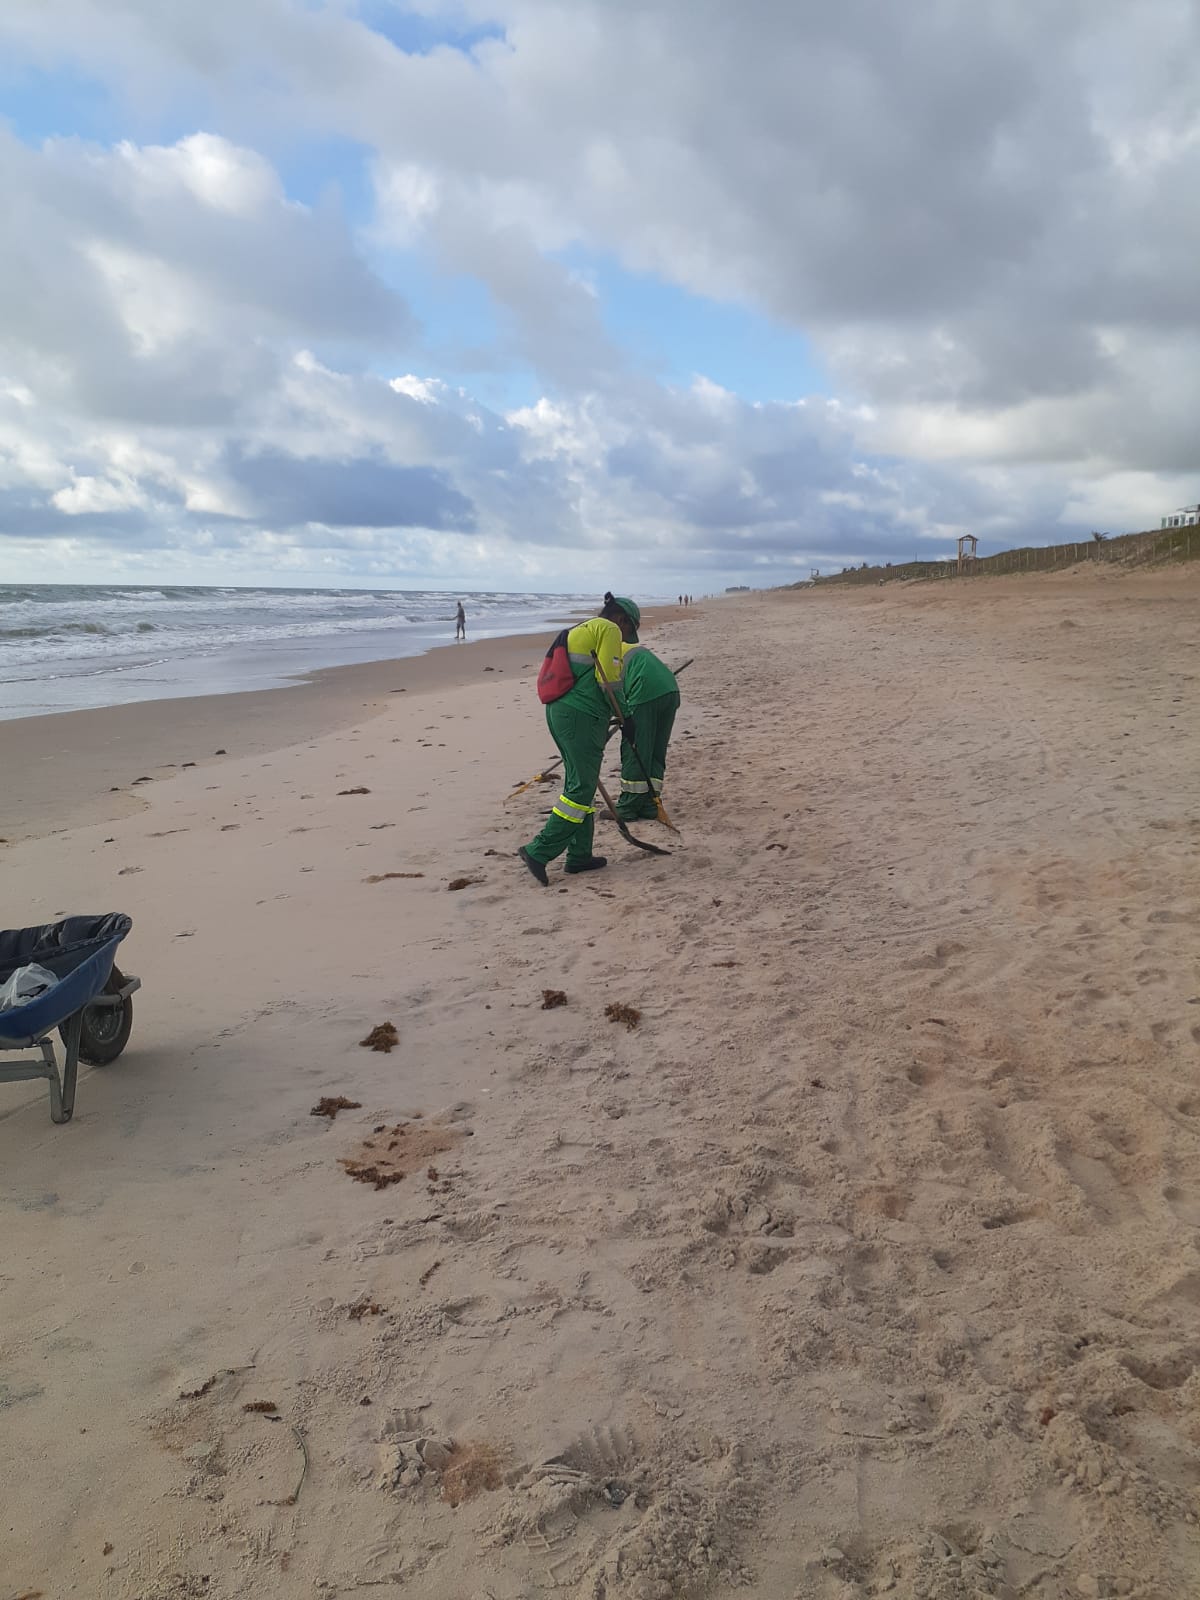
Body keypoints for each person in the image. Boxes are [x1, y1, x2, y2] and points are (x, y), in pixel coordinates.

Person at [518, 594, 637, 886]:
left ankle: (580, 855)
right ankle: (539, 850)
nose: (624, 636)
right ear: (621, 620)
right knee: (581, 787)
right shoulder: (607, 629)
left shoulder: (582, 629)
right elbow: (609, 678)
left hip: (561, 712)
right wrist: (627, 715)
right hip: (580, 716)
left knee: (581, 781)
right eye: (627, 630)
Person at [614, 626, 680, 823]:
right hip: (669, 690)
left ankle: (627, 808)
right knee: (655, 750)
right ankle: (651, 804)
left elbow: (609, 692)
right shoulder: (625, 649)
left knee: (635, 749)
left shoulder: (605, 656)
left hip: (644, 693)